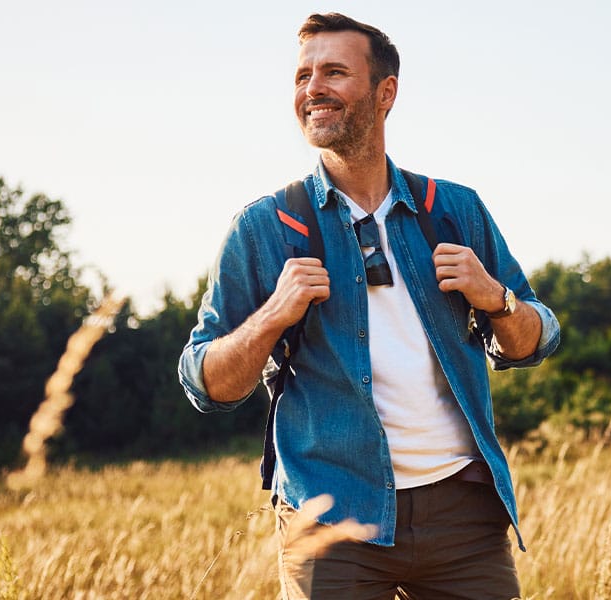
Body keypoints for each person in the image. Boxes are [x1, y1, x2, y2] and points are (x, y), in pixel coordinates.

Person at [177, 12, 560, 599]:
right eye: (302, 76)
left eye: (334, 72)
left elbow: (536, 341)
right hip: (330, 517)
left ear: (386, 93)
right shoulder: (265, 227)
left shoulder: (454, 209)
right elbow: (206, 383)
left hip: (462, 516)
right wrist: (273, 315)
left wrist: (497, 299)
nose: (313, 89)